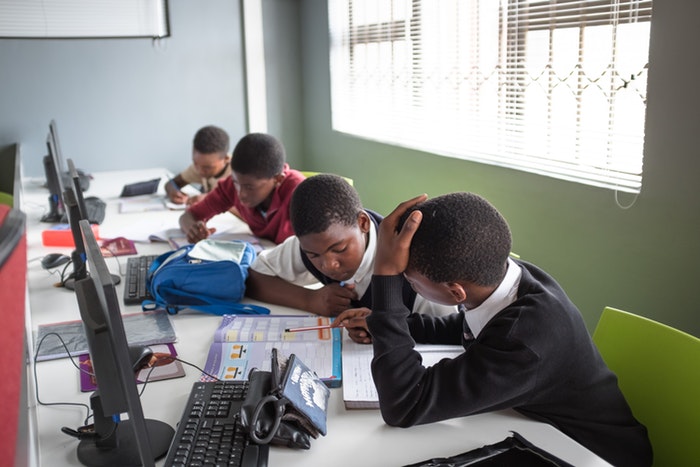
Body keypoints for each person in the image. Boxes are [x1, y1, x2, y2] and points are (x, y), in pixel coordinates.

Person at [332, 192, 653, 467]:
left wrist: (386, 277)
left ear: (455, 291)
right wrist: (390, 326)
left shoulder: (524, 339)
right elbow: (465, 328)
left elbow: (404, 404)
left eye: (410, 281)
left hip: (590, 454)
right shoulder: (507, 278)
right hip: (534, 426)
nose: (405, 282)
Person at [246, 174, 455, 318]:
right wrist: (310, 300)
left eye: (339, 250)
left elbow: (452, 328)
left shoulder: (415, 269)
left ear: (363, 223)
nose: (328, 265)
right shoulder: (316, 242)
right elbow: (255, 277)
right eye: (313, 255)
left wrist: (387, 326)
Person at [178, 132, 304, 245]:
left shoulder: (299, 192)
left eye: (249, 187)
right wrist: (193, 230)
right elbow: (188, 216)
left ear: (277, 180)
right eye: (236, 182)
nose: (240, 194)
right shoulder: (232, 186)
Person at [165, 125, 232, 205]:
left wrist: (211, 199)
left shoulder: (240, 173)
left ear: (226, 159)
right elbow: (172, 183)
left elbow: (247, 208)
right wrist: (173, 191)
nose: (200, 171)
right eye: (195, 163)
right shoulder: (200, 165)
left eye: (207, 167)